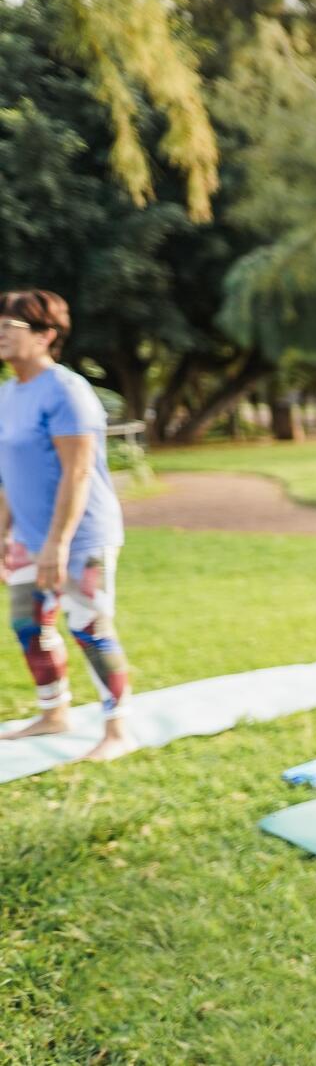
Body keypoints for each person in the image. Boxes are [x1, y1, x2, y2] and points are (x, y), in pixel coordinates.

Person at [0, 290, 137, 762]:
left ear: (45, 336)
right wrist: (3, 533)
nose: (0, 330)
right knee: (27, 624)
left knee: (90, 628)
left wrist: (57, 544)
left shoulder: (66, 390)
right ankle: (54, 712)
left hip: (81, 537)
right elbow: (9, 473)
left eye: (10, 325)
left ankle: (118, 730)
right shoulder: (6, 393)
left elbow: (77, 472)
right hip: (28, 537)